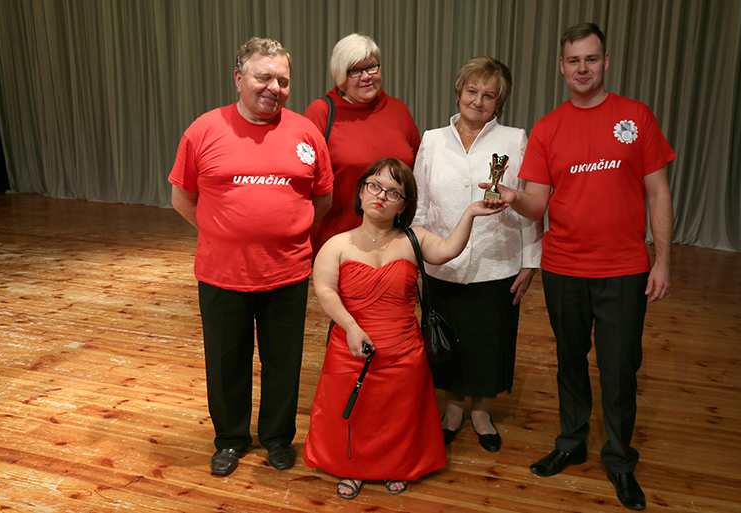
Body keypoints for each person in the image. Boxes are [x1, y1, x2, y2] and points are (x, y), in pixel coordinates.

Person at [482, 23, 675, 510]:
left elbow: (658, 193)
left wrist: (663, 260)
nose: (582, 68)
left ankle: (620, 461)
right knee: (570, 361)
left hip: (624, 269)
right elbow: (538, 205)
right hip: (564, 268)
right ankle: (571, 442)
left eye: (591, 59)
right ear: (562, 67)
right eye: (574, 61)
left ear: (605, 62)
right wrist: (512, 196)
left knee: (619, 368)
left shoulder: (636, 117)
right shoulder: (548, 128)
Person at [169, 37, 333, 477]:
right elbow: (182, 198)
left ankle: (278, 438)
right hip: (221, 274)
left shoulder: (306, 132)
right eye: (264, 77)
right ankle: (230, 439)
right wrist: (224, 233)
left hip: (288, 273)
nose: (275, 88)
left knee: (283, 363)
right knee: (227, 364)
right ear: (239, 78)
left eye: (283, 80)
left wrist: (286, 231)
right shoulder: (203, 130)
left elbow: (323, 198)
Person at [304, 158, 507, 499]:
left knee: (397, 415)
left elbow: (447, 251)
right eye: (374, 186)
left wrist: (471, 213)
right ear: (361, 191)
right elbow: (324, 290)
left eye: (393, 192)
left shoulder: (414, 239)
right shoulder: (337, 244)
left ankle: (395, 465)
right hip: (351, 344)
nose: (381, 196)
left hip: (403, 349)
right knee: (354, 411)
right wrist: (351, 327)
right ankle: (353, 467)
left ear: (404, 205)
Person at [412, 56, 543, 453]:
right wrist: (413, 256)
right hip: (441, 262)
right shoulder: (433, 139)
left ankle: (482, 412)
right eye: (472, 91)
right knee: (447, 340)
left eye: (489, 95)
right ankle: (453, 410)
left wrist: (530, 261)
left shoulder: (515, 140)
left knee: (489, 341)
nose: (478, 100)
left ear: (499, 102)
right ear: (459, 93)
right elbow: (420, 205)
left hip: (497, 262)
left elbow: (529, 205)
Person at [304, 33, 420, 256]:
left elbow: (417, 175)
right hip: (339, 248)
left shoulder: (398, 110)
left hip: (394, 248)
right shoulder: (321, 112)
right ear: (340, 76)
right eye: (355, 71)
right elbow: (302, 183)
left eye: (371, 67)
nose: (366, 76)